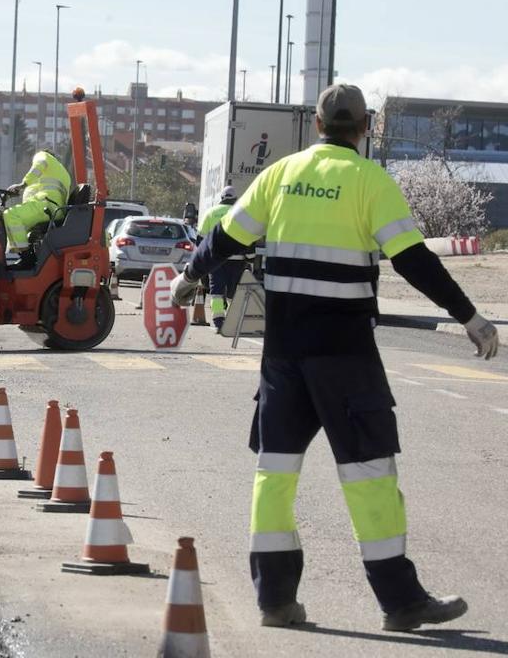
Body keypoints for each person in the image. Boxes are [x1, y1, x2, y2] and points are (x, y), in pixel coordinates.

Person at [170, 84, 499, 632]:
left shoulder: (279, 175)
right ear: (364, 125)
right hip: (345, 354)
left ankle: (275, 600)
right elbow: (414, 260)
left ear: (318, 124)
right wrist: (470, 315)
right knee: (370, 473)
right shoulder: (369, 180)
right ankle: (401, 601)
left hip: (282, 356)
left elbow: (225, 237)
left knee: (274, 474)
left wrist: (188, 278)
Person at [1, 148, 71, 251]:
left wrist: (23, 184)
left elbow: (40, 164)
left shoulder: (43, 155)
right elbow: (36, 191)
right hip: (54, 208)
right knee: (19, 228)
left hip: (46, 205)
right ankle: (13, 255)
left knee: (11, 215)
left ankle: (22, 254)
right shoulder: (62, 173)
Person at [197, 186, 247, 330]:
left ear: (222, 197)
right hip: (237, 260)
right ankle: (232, 322)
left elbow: (200, 239)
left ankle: (219, 322)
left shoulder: (211, 213)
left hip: (216, 260)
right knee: (234, 292)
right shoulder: (240, 213)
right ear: (235, 198)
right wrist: (250, 257)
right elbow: (248, 237)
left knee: (217, 291)